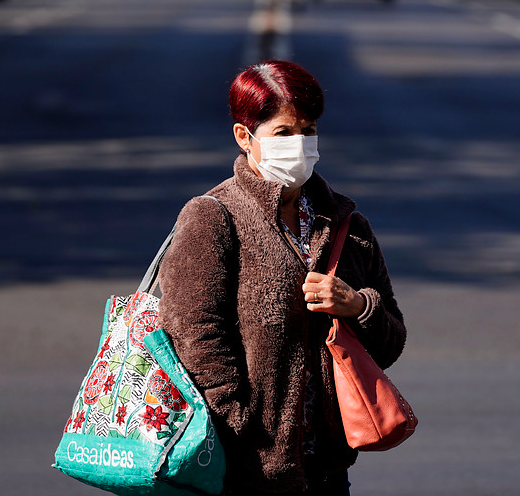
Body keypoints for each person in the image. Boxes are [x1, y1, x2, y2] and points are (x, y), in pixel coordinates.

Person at [158, 60, 407, 495]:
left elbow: (391, 344)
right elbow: (192, 335)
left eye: (308, 131)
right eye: (283, 133)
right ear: (244, 137)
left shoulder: (348, 225)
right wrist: (241, 427)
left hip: (329, 468)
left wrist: (359, 307)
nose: (300, 144)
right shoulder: (215, 217)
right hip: (246, 470)